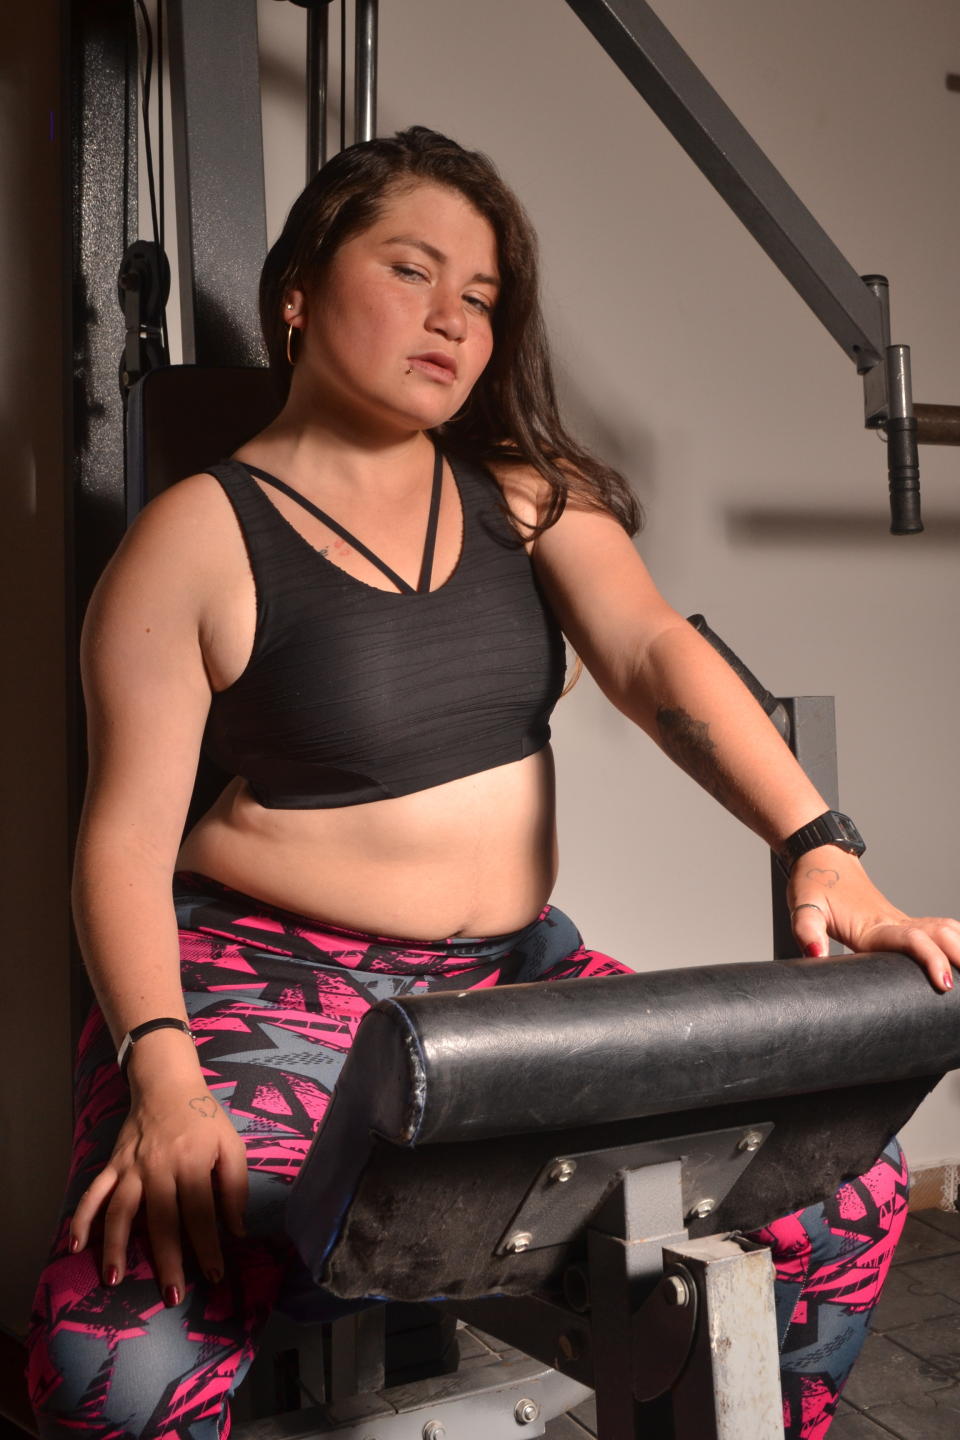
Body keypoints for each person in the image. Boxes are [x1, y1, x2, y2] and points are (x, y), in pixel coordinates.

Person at [27, 126, 959, 1440]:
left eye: (481, 296)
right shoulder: (196, 538)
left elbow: (653, 654)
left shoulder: (526, 499)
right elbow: (123, 845)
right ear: (297, 292)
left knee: (847, 1193)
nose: (452, 319)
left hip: (511, 991)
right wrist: (163, 1074)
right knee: (112, 1368)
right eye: (412, 271)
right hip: (268, 992)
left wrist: (819, 840)